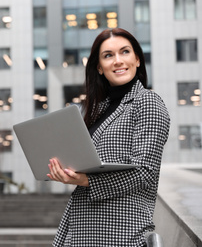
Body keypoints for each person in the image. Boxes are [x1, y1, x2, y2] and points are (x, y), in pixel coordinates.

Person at [47, 28, 170, 247]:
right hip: (80, 230)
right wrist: (66, 169)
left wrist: (86, 180)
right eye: (108, 55)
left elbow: (145, 172)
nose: (118, 61)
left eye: (125, 52)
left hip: (120, 235)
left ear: (138, 60)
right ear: (99, 68)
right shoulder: (99, 110)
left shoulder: (148, 102)